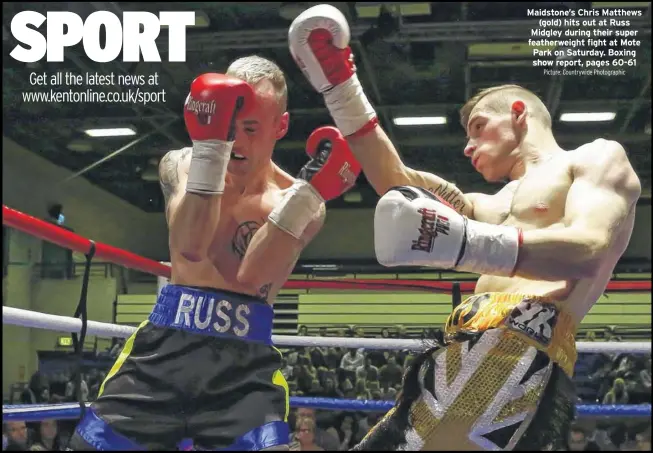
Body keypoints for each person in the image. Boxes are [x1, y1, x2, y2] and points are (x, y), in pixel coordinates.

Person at [288, 5, 641, 451]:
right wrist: (340, 87)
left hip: (523, 345)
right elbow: (399, 184)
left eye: (478, 127)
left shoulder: (593, 158)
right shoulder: (492, 206)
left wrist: (466, 243)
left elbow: (589, 247)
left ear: (518, 113)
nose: (468, 146)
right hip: (465, 344)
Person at [68, 55, 361, 450]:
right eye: (229, 123)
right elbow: (190, 248)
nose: (236, 140)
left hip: (244, 368)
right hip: (163, 350)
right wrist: (210, 147)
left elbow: (253, 275)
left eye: (251, 128)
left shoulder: (303, 203)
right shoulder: (183, 164)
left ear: (281, 126)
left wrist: (307, 194)